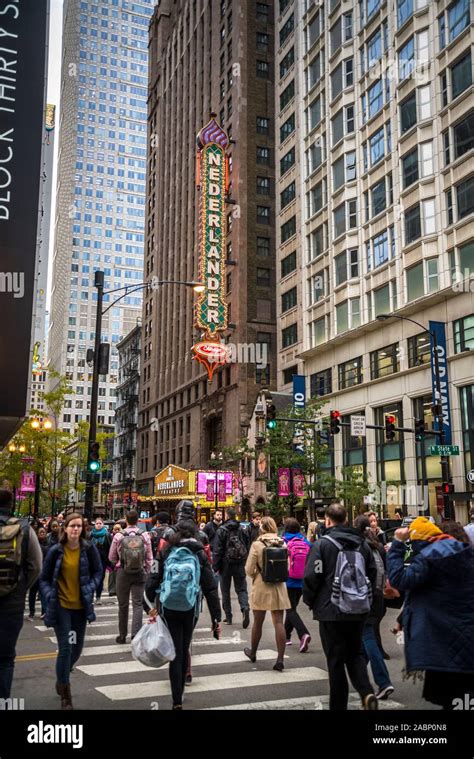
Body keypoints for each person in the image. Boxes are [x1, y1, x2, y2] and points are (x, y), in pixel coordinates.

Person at [387, 516, 474, 710]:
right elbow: (431, 592)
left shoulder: (429, 556)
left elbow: (399, 579)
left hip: (441, 642)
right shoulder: (466, 554)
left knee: (451, 699)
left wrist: (398, 545)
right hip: (465, 638)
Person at [303, 503, 378, 710]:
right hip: (358, 608)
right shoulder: (361, 544)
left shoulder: (322, 545)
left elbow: (312, 575)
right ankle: (366, 692)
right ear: (346, 519)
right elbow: (372, 572)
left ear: (327, 520)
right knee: (355, 653)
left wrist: (310, 600)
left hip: (330, 610)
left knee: (335, 660)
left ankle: (339, 706)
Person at [144, 518, 221, 709]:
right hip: (190, 608)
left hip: (167, 608)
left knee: (175, 653)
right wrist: (216, 618)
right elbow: (211, 588)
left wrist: (149, 608)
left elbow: (152, 579)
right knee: (183, 647)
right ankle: (180, 690)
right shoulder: (199, 553)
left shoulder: (166, 551)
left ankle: (176, 699)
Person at [40, 512, 102, 709]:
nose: (75, 529)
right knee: (65, 648)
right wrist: (50, 595)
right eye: (72, 526)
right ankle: (65, 693)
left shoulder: (89, 549)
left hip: (80, 608)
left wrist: (91, 587)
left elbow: (98, 571)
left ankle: (62, 677)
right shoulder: (55, 551)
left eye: (79, 526)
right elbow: (44, 577)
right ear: (65, 528)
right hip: (61, 607)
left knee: (76, 650)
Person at [0, 489, 43, 700]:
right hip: (12, 601)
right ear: (12, 505)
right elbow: (36, 565)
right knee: (6, 658)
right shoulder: (25, 529)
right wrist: (22, 589)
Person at [354, 515, 394, 701]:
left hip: (367, 597)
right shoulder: (376, 547)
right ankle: (362, 681)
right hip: (378, 595)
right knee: (363, 642)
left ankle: (383, 682)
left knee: (367, 637)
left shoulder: (360, 548)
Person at [244, 516, 290, 671]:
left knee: (258, 621)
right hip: (279, 586)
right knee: (278, 622)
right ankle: (280, 659)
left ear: (262, 528)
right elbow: (287, 567)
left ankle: (253, 652)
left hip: (261, 584)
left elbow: (249, 569)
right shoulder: (282, 542)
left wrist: (257, 574)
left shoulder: (257, 544)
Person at [108, 509, 153, 644]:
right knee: (137, 604)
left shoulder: (118, 536)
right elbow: (149, 557)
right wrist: (148, 571)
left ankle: (122, 635)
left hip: (122, 572)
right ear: (138, 520)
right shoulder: (144, 535)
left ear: (126, 520)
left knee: (123, 605)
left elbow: (111, 557)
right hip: (140, 572)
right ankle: (136, 634)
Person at [212, 506, 250, 628]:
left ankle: (228, 617)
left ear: (227, 516)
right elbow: (246, 545)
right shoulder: (242, 528)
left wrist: (215, 566)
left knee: (225, 591)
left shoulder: (222, 530)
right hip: (239, 562)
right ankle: (244, 607)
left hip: (225, 564)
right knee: (241, 588)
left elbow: (217, 550)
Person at [282, 518, 312, 652]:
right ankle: (286, 636)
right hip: (302, 581)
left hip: (288, 580)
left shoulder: (284, 541)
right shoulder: (305, 542)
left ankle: (303, 633)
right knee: (292, 607)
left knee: (290, 609)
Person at [28, 526, 50, 618]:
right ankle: (31, 611)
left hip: (44, 572)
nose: (42, 534)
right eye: (40, 533)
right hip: (35, 571)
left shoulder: (48, 544)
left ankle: (44, 611)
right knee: (32, 593)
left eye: (43, 532)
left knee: (43, 593)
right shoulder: (34, 544)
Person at [90, 517, 112, 604]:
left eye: (100, 523)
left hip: (102, 561)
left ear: (103, 524)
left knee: (100, 579)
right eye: (97, 523)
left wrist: (109, 561)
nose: (98, 525)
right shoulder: (90, 534)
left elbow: (110, 548)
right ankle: (90, 597)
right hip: (91, 561)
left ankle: (98, 597)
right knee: (91, 579)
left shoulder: (107, 535)